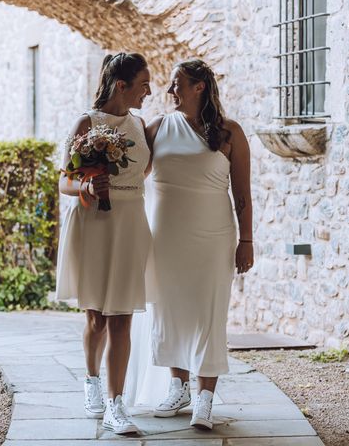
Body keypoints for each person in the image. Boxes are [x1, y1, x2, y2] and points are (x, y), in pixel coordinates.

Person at [144, 59, 254, 430]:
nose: (170, 91)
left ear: (199, 87)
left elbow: (243, 195)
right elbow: (130, 176)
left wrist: (247, 240)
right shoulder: (157, 127)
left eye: (177, 84)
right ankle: (178, 387)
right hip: (165, 236)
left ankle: (205, 397)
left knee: (209, 311)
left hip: (213, 236)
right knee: (170, 308)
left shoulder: (230, 133)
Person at [55, 52, 152, 435]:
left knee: (122, 316)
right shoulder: (86, 122)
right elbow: (64, 180)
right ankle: (91, 379)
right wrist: (87, 185)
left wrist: (128, 189)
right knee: (96, 317)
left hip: (130, 223)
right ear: (121, 85)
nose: (149, 90)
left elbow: (145, 169)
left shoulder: (141, 124)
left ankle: (116, 404)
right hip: (94, 224)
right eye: (144, 83)